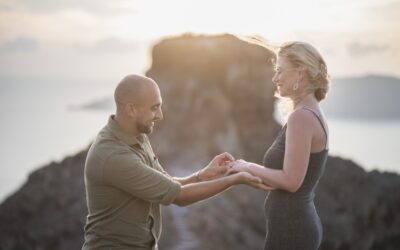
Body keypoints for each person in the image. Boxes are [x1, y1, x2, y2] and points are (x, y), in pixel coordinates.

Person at [82, 74, 270, 250]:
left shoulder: (137, 136)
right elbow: (179, 196)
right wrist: (235, 180)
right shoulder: (113, 156)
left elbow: (166, 182)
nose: (160, 115)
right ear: (131, 109)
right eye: (154, 108)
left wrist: (202, 175)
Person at [228, 41, 330, 250]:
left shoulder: (301, 117)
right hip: (294, 225)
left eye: (280, 71)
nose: (275, 78)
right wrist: (250, 172)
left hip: (291, 230)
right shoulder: (310, 113)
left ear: (300, 73)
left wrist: (248, 167)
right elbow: (291, 177)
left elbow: (292, 181)